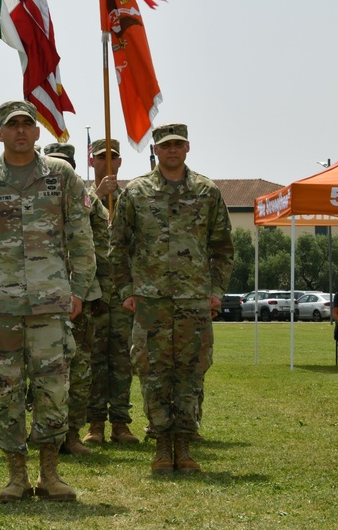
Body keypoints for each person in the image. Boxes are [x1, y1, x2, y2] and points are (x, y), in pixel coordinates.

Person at [0, 100, 95, 503]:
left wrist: (78, 289)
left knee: (53, 389)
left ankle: (50, 474)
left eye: (28, 124)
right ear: (0, 134)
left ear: (38, 132)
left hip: (50, 303)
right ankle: (15, 476)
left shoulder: (61, 176)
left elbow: (82, 236)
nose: (21, 131)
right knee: (4, 389)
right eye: (13, 126)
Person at [110, 123, 233, 475]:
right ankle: (162, 446)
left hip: (194, 299)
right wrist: (126, 290)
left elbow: (223, 248)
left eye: (178, 144)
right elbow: (116, 245)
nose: (172, 150)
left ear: (188, 147)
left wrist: (215, 291)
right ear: (156, 150)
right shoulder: (136, 192)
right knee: (153, 373)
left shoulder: (207, 192)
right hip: (150, 301)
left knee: (191, 373)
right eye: (166, 146)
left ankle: (184, 445)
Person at [44, 142, 115, 456]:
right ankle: (45, 432)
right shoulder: (32, 197)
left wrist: (96, 288)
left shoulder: (87, 200)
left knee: (81, 367)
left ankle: (72, 433)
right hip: (40, 295)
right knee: (43, 368)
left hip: (79, 296)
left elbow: (102, 243)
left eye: (66, 164)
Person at [83, 137, 138, 445]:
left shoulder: (130, 198)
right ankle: (95, 423)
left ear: (119, 163)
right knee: (93, 359)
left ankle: (120, 422)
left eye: (112, 158)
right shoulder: (83, 196)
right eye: (101, 158)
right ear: (92, 162)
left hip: (121, 293)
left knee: (121, 360)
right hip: (93, 291)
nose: (107, 163)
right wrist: (97, 194)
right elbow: (72, 221)